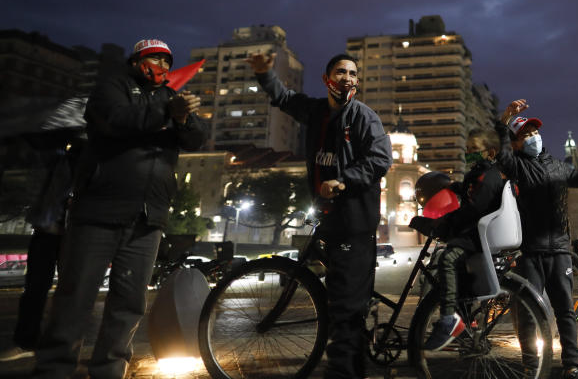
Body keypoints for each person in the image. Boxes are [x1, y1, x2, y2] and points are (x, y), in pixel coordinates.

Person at [33, 39, 206, 379]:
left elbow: (196, 138)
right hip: (100, 209)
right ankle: (54, 369)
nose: (163, 65)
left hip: (148, 216)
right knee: (75, 297)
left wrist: (183, 119)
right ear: (138, 60)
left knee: (128, 303)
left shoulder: (172, 97)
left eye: (168, 60)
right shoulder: (112, 88)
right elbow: (115, 120)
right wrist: (165, 115)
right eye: (156, 58)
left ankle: (110, 370)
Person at [248, 51, 391, 379]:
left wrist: (344, 180)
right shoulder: (315, 111)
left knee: (344, 308)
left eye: (353, 74)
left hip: (354, 222)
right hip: (328, 218)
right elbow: (283, 97)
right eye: (341, 72)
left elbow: (381, 159)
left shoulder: (363, 117)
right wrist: (263, 74)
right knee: (344, 304)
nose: (348, 78)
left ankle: (340, 371)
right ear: (328, 79)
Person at [495, 99, 578, 379]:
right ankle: (530, 366)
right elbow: (501, 156)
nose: (532, 137)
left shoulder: (557, 166)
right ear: (516, 144)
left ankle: (572, 364)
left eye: (534, 132)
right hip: (530, 252)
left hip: (559, 249)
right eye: (525, 135)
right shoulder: (517, 166)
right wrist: (505, 120)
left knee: (565, 310)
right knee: (528, 313)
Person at [409, 128, 506, 350]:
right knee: (454, 267)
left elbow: (473, 209)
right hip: (473, 233)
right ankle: (462, 318)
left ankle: (448, 321)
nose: (469, 152)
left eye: (474, 149)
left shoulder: (488, 177)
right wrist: (454, 188)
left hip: (477, 237)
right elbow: (468, 191)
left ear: (490, 153)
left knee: (448, 258)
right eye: (467, 148)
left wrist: (444, 222)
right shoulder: (479, 173)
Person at [0, 135, 79, 364]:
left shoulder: (77, 156)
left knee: (67, 292)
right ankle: (29, 341)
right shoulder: (58, 157)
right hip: (49, 228)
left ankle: (56, 345)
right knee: (35, 289)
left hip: (67, 230)